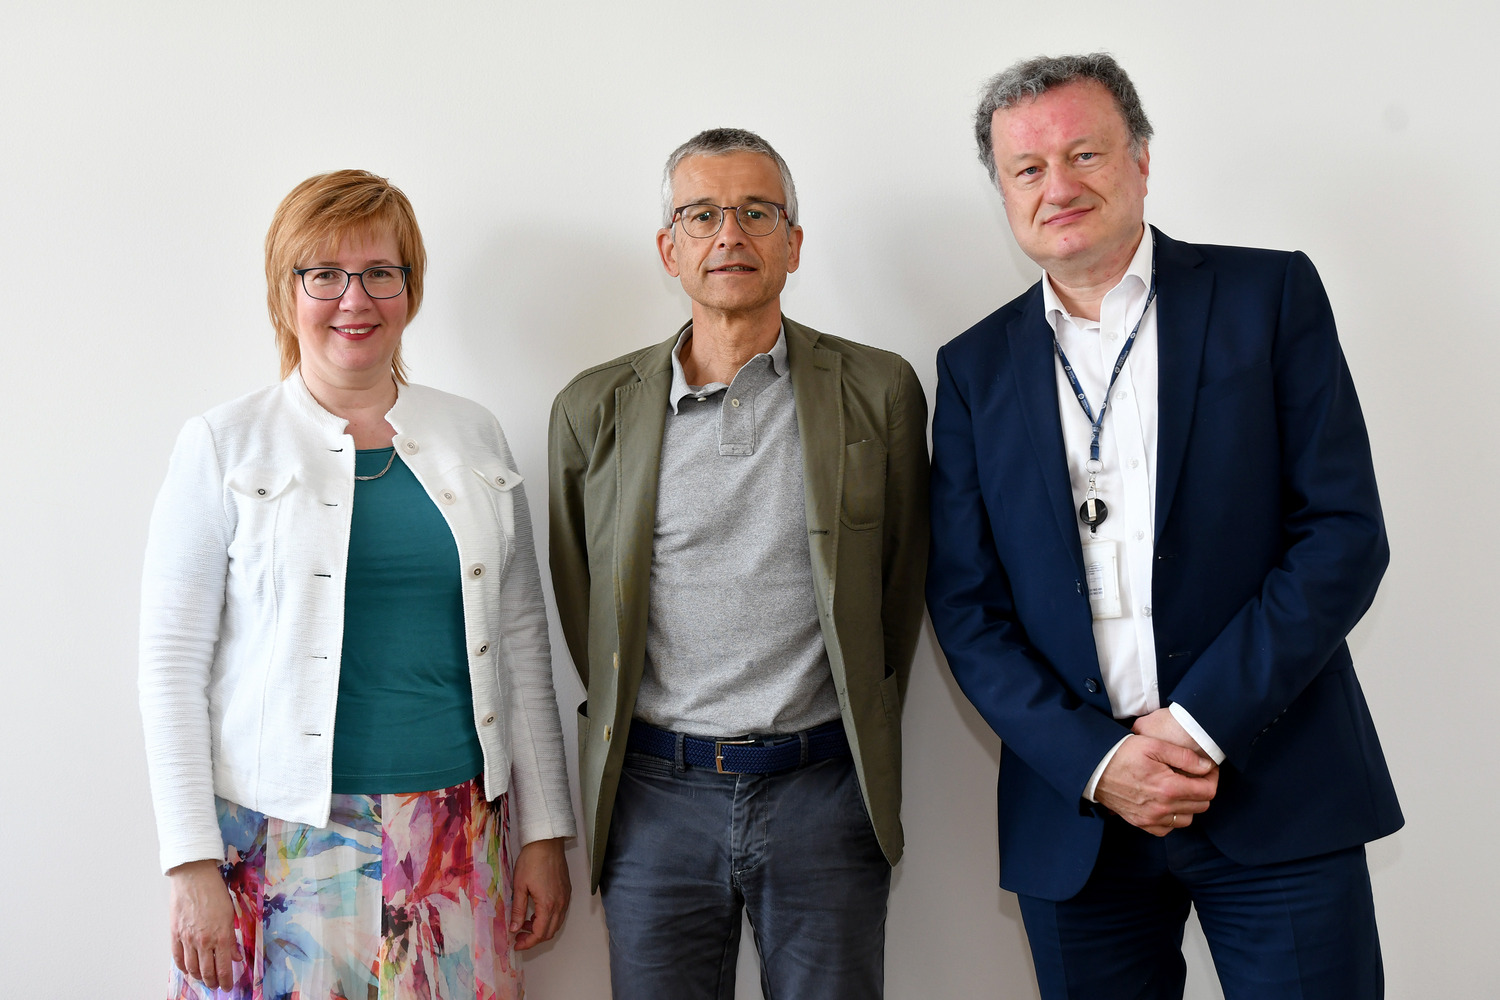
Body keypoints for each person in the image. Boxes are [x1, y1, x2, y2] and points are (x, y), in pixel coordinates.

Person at [926, 54, 1403, 998]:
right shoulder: (973, 367)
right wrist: (1100, 762)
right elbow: (966, 607)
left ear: (1141, 161)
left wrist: (1194, 728)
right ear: (1003, 193)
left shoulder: (1267, 300)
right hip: (1077, 822)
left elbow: (1343, 535)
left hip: (1278, 793)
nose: (1057, 186)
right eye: (1027, 169)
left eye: (1086, 153)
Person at [139, 169, 576, 999]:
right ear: (286, 290)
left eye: (382, 272)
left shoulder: (472, 434)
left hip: (456, 832)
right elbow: (169, 665)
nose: (355, 299)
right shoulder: (224, 445)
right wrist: (190, 860)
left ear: (410, 288)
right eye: (325, 275)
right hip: (276, 841)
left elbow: (523, 645)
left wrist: (546, 833)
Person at [548, 128, 928, 999]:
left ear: (794, 243)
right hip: (654, 799)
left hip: (825, 791)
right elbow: (585, 601)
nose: (730, 236)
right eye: (702, 214)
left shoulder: (878, 391)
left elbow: (898, 593)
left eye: (757, 212)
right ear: (668, 247)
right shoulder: (592, 408)